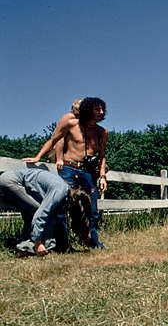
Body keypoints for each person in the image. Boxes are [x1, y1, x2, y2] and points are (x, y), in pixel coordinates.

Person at [23, 97, 108, 249]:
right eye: (97, 109)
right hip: (69, 169)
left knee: (92, 209)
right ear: (88, 110)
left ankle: (93, 243)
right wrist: (38, 156)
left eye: (102, 109)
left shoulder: (102, 132)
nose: (101, 113)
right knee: (62, 207)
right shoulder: (71, 124)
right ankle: (63, 245)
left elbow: (102, 156)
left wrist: (102, 177)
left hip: (88, 172)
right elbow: (54, 140)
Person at [0, 168, 92, 256]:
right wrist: (38, 242)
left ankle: (28, 248)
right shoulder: (60, 190)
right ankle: (34, 247)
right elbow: (40, 215)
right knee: (38, 211)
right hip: (11, 181)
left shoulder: (63, 189)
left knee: (35, 213)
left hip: (10, 179)